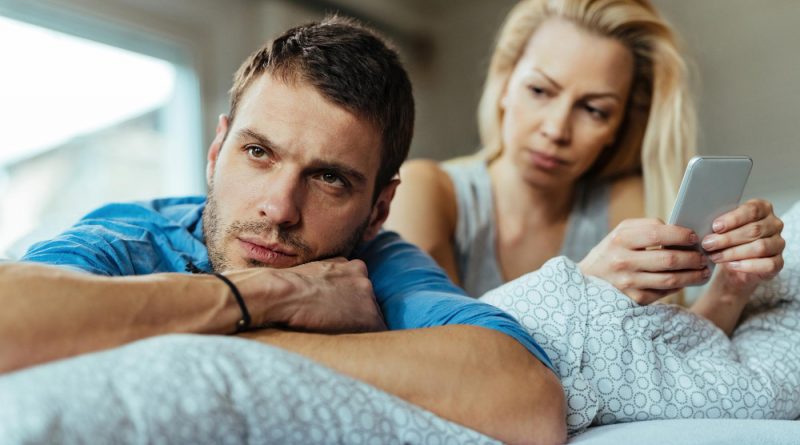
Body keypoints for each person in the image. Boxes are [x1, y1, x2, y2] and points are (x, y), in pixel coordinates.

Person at [0, 17, 566, 445]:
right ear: (217, 151)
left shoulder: (378, 265)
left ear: (378, 208)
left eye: (328, 178)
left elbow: (528, 401)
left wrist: (233, 335)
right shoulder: (134, 235)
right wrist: (275, 293)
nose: (278, 208)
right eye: (257, 152)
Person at [385, 0, 784, 334]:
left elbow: (668, 370)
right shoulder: (426, 192)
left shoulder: (624, 205)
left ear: (617, 127)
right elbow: (444, 349)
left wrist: (733, 286)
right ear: (505, 84)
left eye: (594, 110)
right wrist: (582, 283)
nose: (556, 129)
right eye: (540, 90)